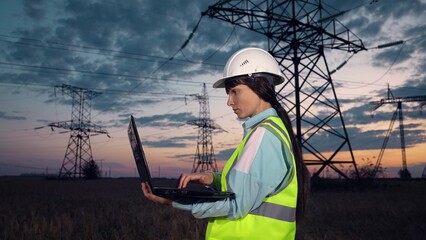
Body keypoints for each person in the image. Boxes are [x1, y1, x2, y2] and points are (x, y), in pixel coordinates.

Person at [141, 47, 310, 239]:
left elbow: (236, 205)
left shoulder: (263, 136)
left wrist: (174, 201)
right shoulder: (269, 131)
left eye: (235, 92)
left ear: (260, 85)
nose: (229, 102)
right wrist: (212, 178)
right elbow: (252, 184)